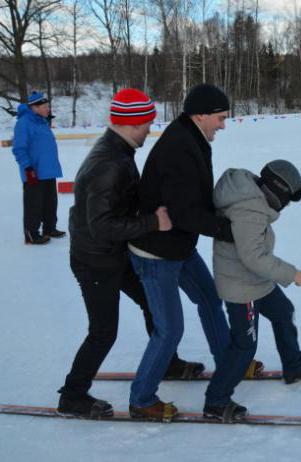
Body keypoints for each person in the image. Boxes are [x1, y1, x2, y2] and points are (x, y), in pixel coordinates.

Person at [57, 88, 199, 418]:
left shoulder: (118, 151)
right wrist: (153, 222)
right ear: (132, 123)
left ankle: (169, 363)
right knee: (103, 331)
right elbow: (101, 226)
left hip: (114, 254)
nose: (150, 129)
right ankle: (73, 395)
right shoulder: (110, 164)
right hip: (95, 261)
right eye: (147, 123)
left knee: (153, 304)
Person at [127, 84, 241, 421]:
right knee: (170, 329)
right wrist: (226, 229)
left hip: (179, 245)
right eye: (220, 118)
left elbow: (194, 199)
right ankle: (141, 398)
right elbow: (182, 211)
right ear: (201, 114)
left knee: (209, 299)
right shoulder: (180, 147)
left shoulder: (191, 138)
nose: (223, 124)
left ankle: (228, 363)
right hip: (156, 253)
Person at [207, 160, 301, 422]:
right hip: (242, 288)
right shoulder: (249, 211)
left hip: (256, 282)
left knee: (283, 312)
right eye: (288, 200)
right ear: (278, 193)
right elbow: (254, 258)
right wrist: (290, 273)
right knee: (244, 346)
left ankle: (294, 366)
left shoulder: (253, 199)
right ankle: (216, 400)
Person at [11, 91, 64, 244]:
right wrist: (27, 167)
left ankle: (49, 229)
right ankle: (31, 234)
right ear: (35, 107)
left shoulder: (42, 121)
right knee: (34, 204)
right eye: (46, 106)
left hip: (48, 170)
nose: (48, 109)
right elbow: (19, 148)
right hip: (34, 171)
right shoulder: (24, 123)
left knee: (50, 202)